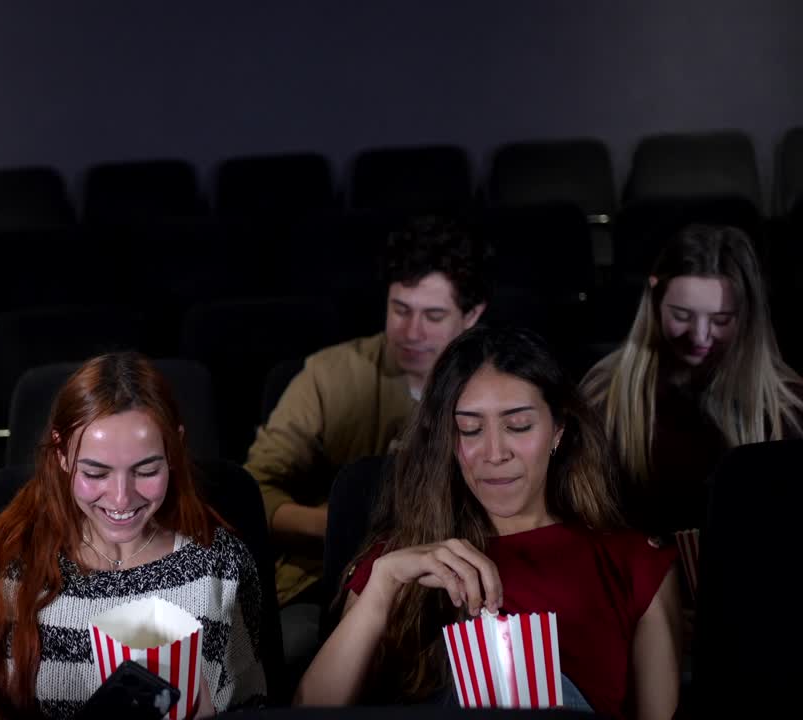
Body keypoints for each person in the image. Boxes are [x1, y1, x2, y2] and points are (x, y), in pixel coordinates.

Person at [296, 327, 681, 720]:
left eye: (518, 426)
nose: (495, 454)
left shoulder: (635, 560)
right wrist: (381, 589)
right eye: (470, 430)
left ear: (558, 430)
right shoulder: (399, 560)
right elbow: (306, 715)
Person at [0, 352, 267, 719]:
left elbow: (250, 701)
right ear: (61, 455)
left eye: (146, 470)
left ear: (173, 451)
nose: (121, 498)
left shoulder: (220, 566)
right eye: (95, 473)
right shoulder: (2, 560)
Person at [246, 215, 491, 607]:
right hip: (327, 580)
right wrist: (335, 524)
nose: (412, 332)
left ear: (472, 315)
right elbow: (253, 488)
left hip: (465, 581)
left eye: (433, 316)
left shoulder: (498, 382)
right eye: (400, 310)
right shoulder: (330, 375)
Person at [581, 224, 803, 535]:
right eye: (682, 315)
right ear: (655, 299)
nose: (699, 336)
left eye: (720, 320)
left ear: (747, 315)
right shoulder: (604, 395)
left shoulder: (788, 405)